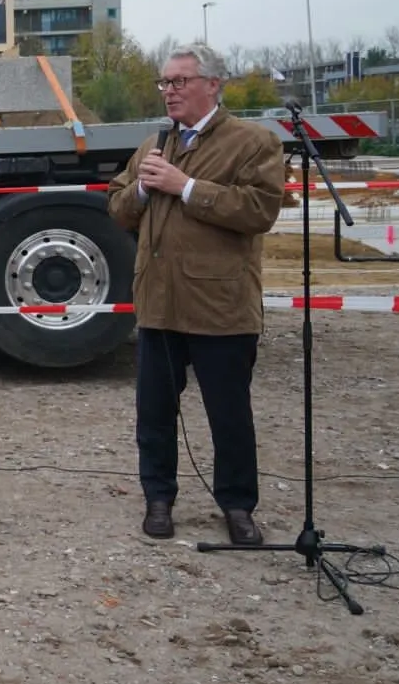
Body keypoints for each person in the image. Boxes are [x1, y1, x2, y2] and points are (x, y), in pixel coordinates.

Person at [105, 43, 285, 545]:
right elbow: (117, 208)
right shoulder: (153, 144)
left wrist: (185, 186)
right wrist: (141, 190)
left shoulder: (252, 143)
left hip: (220, 308)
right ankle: (158, 500)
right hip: (160, 306)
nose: (170, 92)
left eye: (180, 81)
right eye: (165, 83)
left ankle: (237, 507)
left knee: (229, 417)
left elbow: (258, 211)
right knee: (155, 414)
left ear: (213, 85)